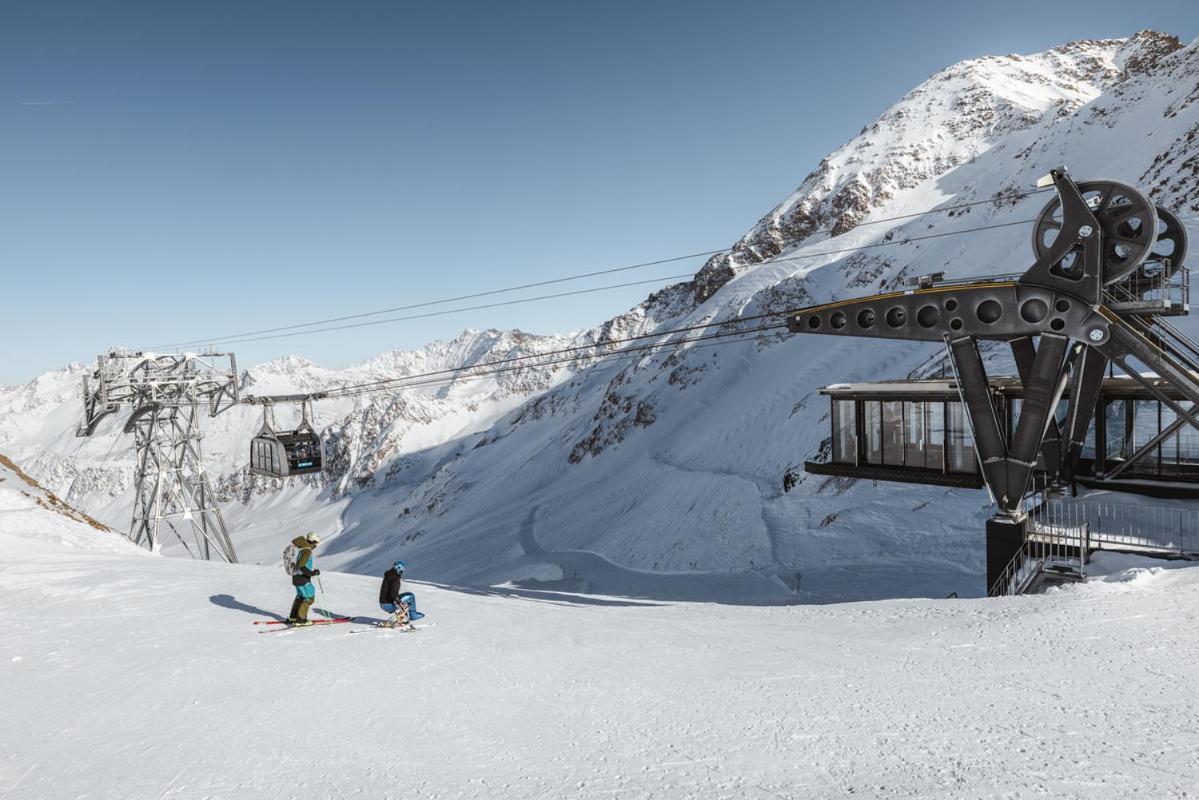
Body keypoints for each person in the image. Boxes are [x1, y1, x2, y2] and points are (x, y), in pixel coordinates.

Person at [287, 532, 322, 625]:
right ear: (313, 542)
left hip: (296, 577)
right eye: (316, 543)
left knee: (300, 597)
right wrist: (312, 573)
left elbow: (301, 565)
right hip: (302, 578)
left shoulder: (302, 549)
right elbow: (301, 566)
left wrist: (311, 572)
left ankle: (293, 617)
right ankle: (301, 620)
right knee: (308, 597)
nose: (316, 545)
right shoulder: (307, 551)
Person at [378, 560, 423, 629]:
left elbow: (391, 592)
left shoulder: (389, 575)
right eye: (402, 571)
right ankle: (413, 615)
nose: (402, 573)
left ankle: (401, 617)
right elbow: (393, 594)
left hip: (383, 603)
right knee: (410, 596)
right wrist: (399, 603)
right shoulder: (395, 578)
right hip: (388, 604)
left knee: (408, 596)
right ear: (398, 569)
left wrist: (399, 601)